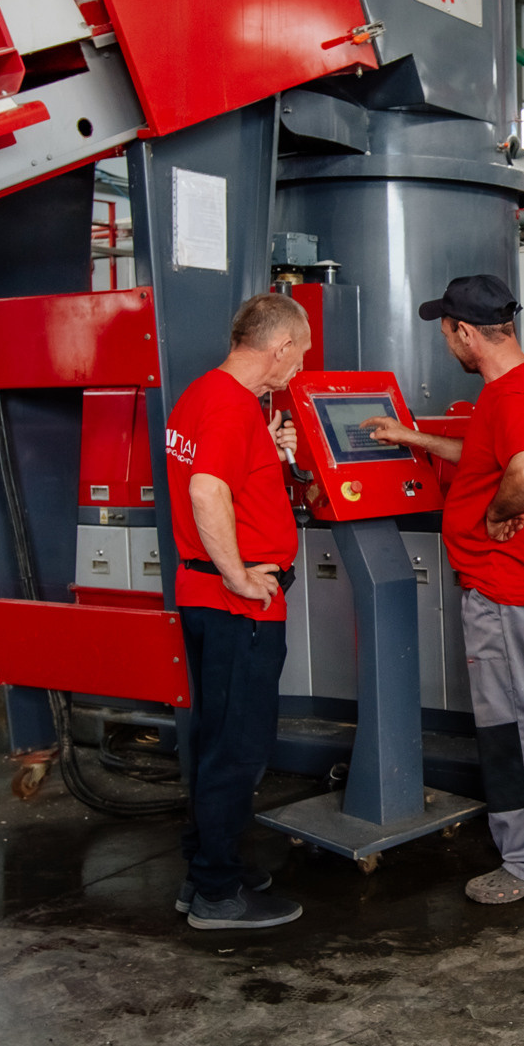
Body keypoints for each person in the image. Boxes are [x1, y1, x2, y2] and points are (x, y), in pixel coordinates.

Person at [361, 274, 524, 905]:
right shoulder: (523, 387)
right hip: (521, 586)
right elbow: (491, 458)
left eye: (446, 329)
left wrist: (497, 514)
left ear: (465, 332)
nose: (445, 339)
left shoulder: (509, 398)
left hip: (504, 589)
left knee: (512, 728)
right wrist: (413, 439)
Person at [163, 291, 312, 931]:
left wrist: (267, 451)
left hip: (201, 599)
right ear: (278, 348)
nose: (300, 368)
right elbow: (206, 489)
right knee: (239, 748)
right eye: (299, 355)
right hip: (233, 604)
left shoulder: (207, 395)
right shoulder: (230, 406)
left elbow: (222, 475)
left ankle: (207, 865)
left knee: (213, 738)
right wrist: (240, 576)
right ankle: (218, 894)